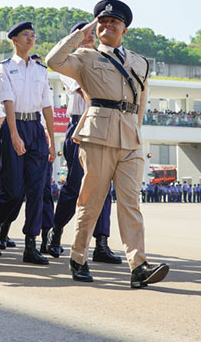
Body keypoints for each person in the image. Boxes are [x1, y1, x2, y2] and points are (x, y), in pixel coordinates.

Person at [46, 0, 169, 288]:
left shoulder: (139, 62)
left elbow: (141, 101)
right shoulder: (85, 57)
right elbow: (53, 61)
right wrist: (80, 35)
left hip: (130, 138)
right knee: (92, 200)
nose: (106, 25)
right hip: (98, 135)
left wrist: (136, 131)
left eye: (113, 22)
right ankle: (77, 256)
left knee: (130, 203)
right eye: (101, 21)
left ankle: (138, 266)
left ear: (124, 29)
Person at [47, 21, 121, 264]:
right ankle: (56, 232)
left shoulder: (104, 61)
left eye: (91, 34)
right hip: (81, 123)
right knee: (76, 184)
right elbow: (86, 94)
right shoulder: (73, 63)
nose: (89, 38)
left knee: (105, 187)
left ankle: (101, 243)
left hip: (104, 125)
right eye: (85, 35)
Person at [0, 21, 56, 265]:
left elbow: (47, 106)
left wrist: (52, 141)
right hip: (14, 126)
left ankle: (31, 245)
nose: (31, 38)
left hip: (35, 127)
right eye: (25, 35)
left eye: (33, 35)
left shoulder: (40, 70)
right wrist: (15, 135)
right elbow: (7, 102)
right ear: (14, 40)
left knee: (37, 190)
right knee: (14, 190)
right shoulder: (4, 67)